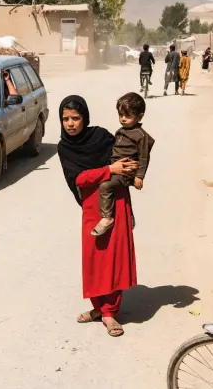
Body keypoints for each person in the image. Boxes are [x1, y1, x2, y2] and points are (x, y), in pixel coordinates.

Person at [58, 95, 138, 338]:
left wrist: (131, 169)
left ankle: (109, 312)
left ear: (85, 118)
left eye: (75, 118)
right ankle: (97, 307)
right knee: (94, 257)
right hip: (92, 207)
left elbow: (126, 158)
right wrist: (107, 170)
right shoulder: (64, 147)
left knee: (114, 256)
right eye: (65, 119)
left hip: (117, 201)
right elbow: (78, 179)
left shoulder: (102, 137)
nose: (70, 124)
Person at [94, 92, 154, 236]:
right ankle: (129, 218)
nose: (123, 119)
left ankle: (107, 217)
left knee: (105, 186)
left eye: (127, 116)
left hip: (126, 171)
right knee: (120, 192)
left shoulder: (141, 135)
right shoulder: (120, 131)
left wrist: (139, 176)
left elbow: (144, 156)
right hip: (116, 168)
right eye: (120, 115)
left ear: (139, 116)